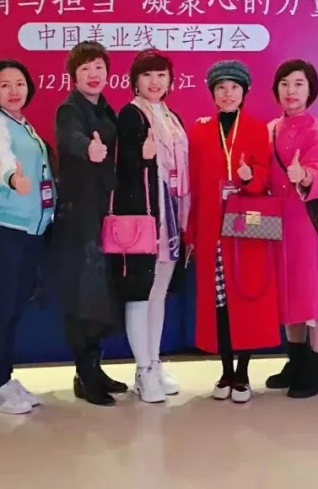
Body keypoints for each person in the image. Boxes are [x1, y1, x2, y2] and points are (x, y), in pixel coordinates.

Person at [187, 60, 278, 404]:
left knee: (247, 297)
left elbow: (264, 175)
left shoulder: (256, 128)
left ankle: (243, 373)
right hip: (211, 227)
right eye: (221, 88)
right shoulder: (199, 131)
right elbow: (194, 184)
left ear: (244, 92)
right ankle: (225, 370)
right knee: (219, 303)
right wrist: (192, 230)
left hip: (247, 226)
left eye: (234, 87)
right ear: (212, 93)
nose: (228, 94)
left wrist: (248, 177)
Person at [0, 59, 56, 414]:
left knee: (14, 309)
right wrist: (13, 178)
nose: (13, 91)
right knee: (2, 308)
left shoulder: (25, 124)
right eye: (5, 85)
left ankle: (6, 379)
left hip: (33, 230)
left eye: (20, 84)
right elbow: (1, 157)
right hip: (7, 228)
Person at [265, 59, 318, 399]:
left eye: (299, 83)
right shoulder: (270, 128)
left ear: (310, 90)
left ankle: (317, 365)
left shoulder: (316, 129)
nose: (291, 91)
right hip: (276, 222)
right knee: (286, 290)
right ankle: (295, 360)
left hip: (306, 222)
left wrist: (307, 175)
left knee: (312, 291)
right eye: (285, 83)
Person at [112, 49, 189, 403]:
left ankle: (154, 363)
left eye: (161, 75)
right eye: (147, 75)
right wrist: (140, 158)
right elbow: (120, 168)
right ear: (135, 81)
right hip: (143, 219)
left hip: (170, 213)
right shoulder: (130, 114)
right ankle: (143, 370)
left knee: (158, 293)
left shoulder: (171, 117)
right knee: (140, 293)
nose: (155, 82)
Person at [54, 41, 127, 406]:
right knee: (84, 295)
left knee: (102, 294)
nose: (93, 74)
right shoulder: (69, 109)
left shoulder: (107, 109)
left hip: (104, 212)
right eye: (85, 69)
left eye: (99, 67)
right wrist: (89, 148)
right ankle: (84, 373)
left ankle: (95, 367)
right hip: (79, 216)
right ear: (74, 76)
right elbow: (71, 137)